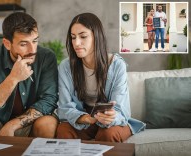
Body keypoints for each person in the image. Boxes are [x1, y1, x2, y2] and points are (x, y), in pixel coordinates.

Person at [0, 12, 59, 137]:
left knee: (48, 124)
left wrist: (12, 125)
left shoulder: (46, 57)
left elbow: (49, 100)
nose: (32, 50)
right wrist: (13, 78)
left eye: (35, 41)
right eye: (23, 44)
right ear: (7, 44)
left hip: (31, 121)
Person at [56, 13, 145, 142]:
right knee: (63, 130)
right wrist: (84, 118)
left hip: (111, 119)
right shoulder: (66, 66)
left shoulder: (117, 65)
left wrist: (111, 116)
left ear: (96, 36)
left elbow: (121, 110)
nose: (76, 43)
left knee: (108, 134)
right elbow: (64, 107)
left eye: (83, 36)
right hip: (84, 117)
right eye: (73, 37)